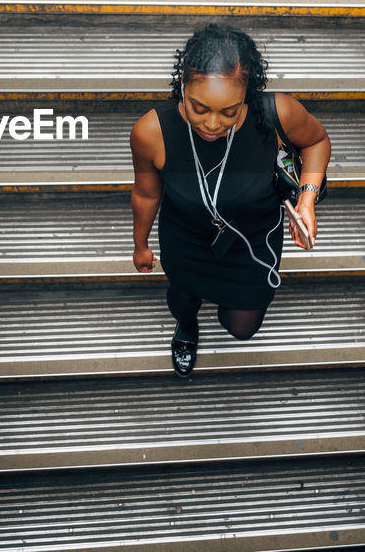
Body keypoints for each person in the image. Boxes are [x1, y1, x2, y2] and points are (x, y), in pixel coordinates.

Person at [129, 23, 331, 377]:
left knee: (241, 326)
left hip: (253, 244)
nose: (211, 124)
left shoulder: (278, 114)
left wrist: (307, 199)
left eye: (228, 111)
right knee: (183, 301)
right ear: (182, 87)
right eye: (199, 107)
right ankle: (187, 330)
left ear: (247, 94)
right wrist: (140, 244)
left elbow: (316, 143)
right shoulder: (151, 132)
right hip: (186, 240)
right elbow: (146, 192)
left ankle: (219, 308)